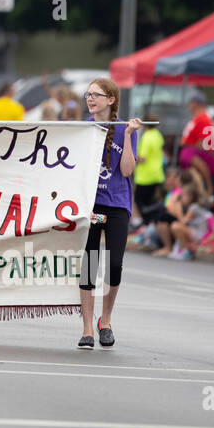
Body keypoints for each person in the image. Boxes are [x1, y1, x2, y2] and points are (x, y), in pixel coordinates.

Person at [77, 77, 142, 350]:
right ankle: (88, 328)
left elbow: (127, 171)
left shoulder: (125, 129)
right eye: (88, 94)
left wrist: (127, 136)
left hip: (116, 207)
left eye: (97, 95)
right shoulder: (84, 129)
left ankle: (106, 320)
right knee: (90, 265)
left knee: (114, 264)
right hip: (93, 208)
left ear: (111, 100)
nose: (91, 99)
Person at [178, 91, 214, 188]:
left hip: (198, 158)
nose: (189, 106)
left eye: (190, 103)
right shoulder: (198, 118)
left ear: (195, 104)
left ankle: (208, 187)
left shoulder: (203, 119)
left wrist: (187, 146)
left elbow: (204, 145)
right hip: (192, 157)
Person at [167, 170, 214, 259]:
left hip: (200, 233)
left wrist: (179, 212)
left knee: (176, 226)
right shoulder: (191, 207)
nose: (182, 198)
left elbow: (183, 222)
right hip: (193, 231)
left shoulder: (194, 207)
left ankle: (187, 250)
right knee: (175, 226)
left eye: (184, 195)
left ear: (191, 197)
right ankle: (184, 249)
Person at [133, 123, 166, 228]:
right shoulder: (158, 135)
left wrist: (131, 158)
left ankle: (146, 226)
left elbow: (142, 158)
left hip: (145, 177)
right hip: (157, 174)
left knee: (141, 204)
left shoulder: (147, 137)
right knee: (153, 203)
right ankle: (151, 226)